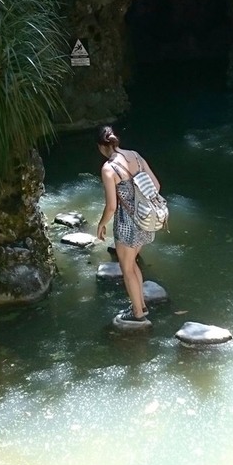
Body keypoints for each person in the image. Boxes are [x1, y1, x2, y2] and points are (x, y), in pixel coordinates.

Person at [96, 125, 161, 324]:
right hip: (146, 219)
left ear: (100, 146)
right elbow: (156, 186)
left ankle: (137, 315)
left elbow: (112, 206)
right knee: (132, 264)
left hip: (126, 225)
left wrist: (101, 224)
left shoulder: (108, 168)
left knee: (127, 269)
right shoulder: (135, 155)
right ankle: (140, 306)